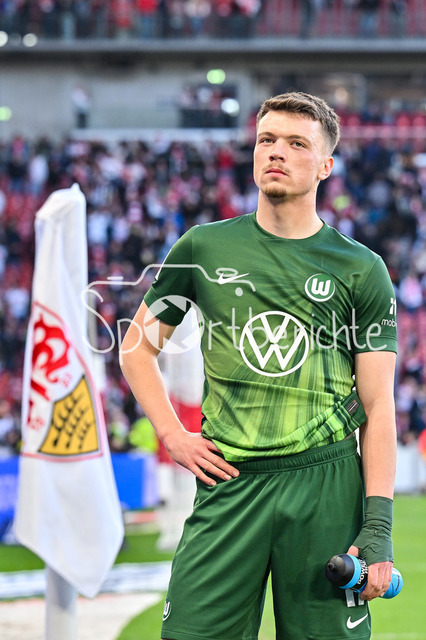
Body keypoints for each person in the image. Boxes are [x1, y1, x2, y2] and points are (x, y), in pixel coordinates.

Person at [120, 91, 397, 640]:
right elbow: (137, 347)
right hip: (229, 480)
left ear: (325, 166)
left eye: (296, 143)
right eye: (266, 139)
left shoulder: (361, 269)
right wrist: (173, 434)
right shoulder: (204, 247)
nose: (276, 152)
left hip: (324, 482)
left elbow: (377, 404)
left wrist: (378, 527)